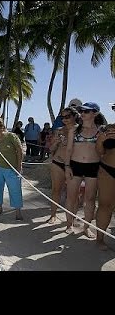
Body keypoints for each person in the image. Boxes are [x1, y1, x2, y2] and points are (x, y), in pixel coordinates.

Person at [64, 102, 101, 237]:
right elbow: (69, 149)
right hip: (75, 165)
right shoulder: (74, 130)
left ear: (95, 113)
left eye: (86, 111)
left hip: (93, 166)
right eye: (82, 111)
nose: (83, 114)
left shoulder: (100, 131)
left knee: (90, 199)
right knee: (71, 197)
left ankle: (87, 227)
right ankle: (69, 224)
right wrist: (67, 166)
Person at [46, 106, 78, 224]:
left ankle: (71, 220)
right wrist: (56, 142)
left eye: (67, 116)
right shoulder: (59, 130)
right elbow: (51, 148)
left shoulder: (80, 131)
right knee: (56, 190)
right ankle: (53, 215)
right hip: (58, 162)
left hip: (74, 164)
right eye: (62, 117)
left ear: (75, 116)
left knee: (73, 194)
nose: (65, 119)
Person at [95, 123, 115, 250]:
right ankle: (100, 238)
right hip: (107, 169)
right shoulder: (109, 128)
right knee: (105, 205)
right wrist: (101, 140)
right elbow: (100, 151)